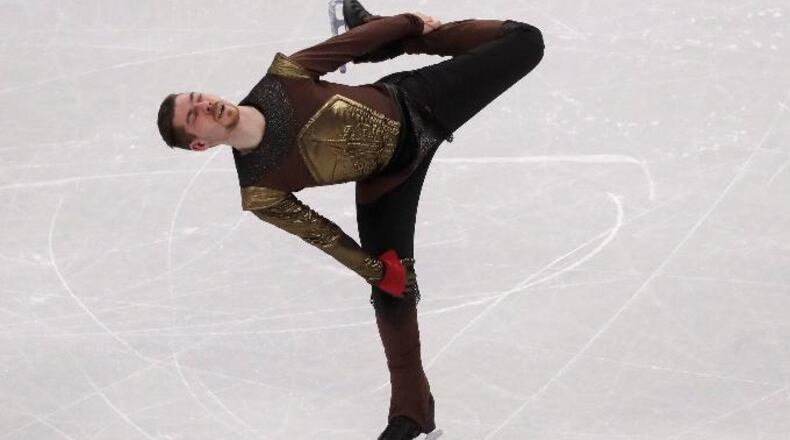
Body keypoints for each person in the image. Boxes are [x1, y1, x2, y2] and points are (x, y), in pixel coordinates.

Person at [156, 1, 544, 438]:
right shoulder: (259, 190)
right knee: (393, 291)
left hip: (416, 102)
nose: (206, 105)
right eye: (194, 116)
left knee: (525, 41)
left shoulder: (280, 78)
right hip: (387, 181)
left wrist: (407, 26)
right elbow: (322, 235)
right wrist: (377, 271)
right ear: (199, 146)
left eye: (198, 97)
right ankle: (413, 415)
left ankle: (393, 29)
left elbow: (346, 46)